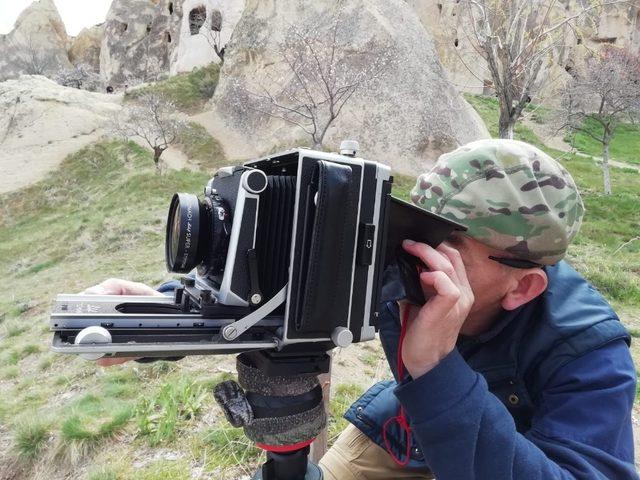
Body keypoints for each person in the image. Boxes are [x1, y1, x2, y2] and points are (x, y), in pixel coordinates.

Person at [86, 139, 637, 479]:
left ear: (522, 288)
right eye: (412, 227)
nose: (407, 255)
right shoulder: (407, 265)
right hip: (407, 436)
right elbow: (286, 289)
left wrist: (435, 366)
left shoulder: (590, 353)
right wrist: (150, 315)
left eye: (442, 244)